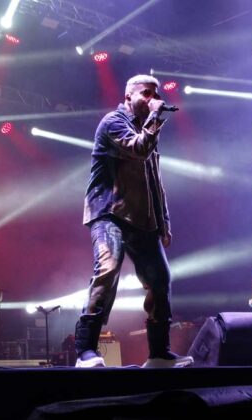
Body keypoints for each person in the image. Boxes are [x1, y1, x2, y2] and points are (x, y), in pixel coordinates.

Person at [74, 74, 193, 368]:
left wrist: (163, 222)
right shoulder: (113, 122)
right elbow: (138, 150)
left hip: (142, 219)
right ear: (128, 96)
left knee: (160, 280)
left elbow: (155, 182)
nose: (153, 99)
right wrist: (155, 117)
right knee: (108, 269)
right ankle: (85, 350)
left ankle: (159, 353)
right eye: (146, 94)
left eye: (156, 94)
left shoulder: (148, 130)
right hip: (109, 212)